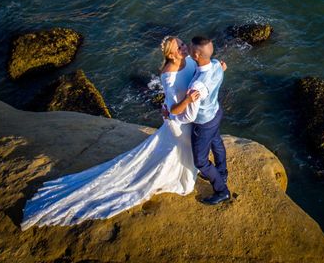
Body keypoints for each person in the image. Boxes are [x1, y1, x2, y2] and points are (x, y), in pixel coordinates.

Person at [20, 36, 202, 230]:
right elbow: (172, 108)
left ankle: (187, 169)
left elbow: (200, 74)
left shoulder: (189, 59)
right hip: (178, 120)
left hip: (188, 116)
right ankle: (181, 176)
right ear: (170, 54)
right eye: (179, 47)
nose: (184, 48)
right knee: (182, 148)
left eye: (183, 44)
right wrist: (188, 101)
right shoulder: (168, 75)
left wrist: (215, 69)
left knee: (184, 148)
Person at [188, 36, 230, 205]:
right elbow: (221, 69)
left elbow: (190, 111)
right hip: (216, 112)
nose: (188, 50)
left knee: (201, 161)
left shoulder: (197, 86)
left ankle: (222, 190)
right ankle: (222, 171)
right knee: (216, 142)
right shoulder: (215, 64)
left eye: (190, 49)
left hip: (204, 122)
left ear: (196, 55)